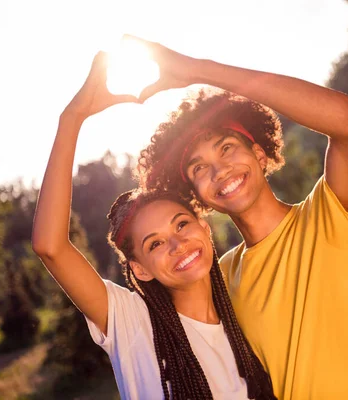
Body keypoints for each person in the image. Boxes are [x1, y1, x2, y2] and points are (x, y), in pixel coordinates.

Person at [132, 34, 348, 399]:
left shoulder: (329, 215)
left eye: (227, 148)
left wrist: (199, 70)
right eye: (199, 169)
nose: (220, 171)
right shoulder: (219, 277)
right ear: (200, 200)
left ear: (260, 155)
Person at [31, 50, 276, 400]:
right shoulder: (132, 323)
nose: (177, 245)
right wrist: (72, 118)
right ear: (139, 270)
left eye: (181, 225)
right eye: (155, 244)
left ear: (204, 229)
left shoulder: (245, 318)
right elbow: (49, 246)